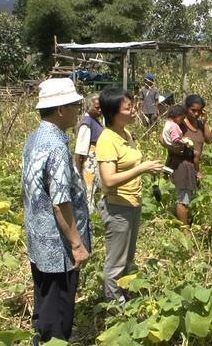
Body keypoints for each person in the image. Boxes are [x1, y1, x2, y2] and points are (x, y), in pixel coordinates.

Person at [21, 78, 91, 343]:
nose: (77, 110)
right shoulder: (57, 147)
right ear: (61, 110)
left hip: (40, 238)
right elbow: (60, 201)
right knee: (59, 309)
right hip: (58, 246)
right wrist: (76, 244)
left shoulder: (35, 137)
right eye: (74, 105)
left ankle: (42, 338)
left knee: (45, 300)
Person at [96, 87, 163, 303]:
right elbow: (108, 179)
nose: (134, 110)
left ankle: (125, 298)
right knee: (116, 263)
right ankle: (116, 308)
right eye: (128, 108)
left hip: (132, 203)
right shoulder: (107, 139)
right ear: (113, 113)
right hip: (117, 207)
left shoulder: (124, 133)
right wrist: (141, 169)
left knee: (127, 259)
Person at [160, 94, 212, 225]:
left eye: (199, 111)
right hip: (181, 165)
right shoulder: (180, 124)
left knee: (188, 198)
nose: (196, 113)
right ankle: (185, 229)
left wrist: (205, 122)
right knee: (183, 199)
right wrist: (177, 150)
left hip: (193, 166)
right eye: (193, 110)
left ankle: (187, 224)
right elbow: (162, 139)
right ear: (186, 109)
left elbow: (209, 140)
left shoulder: (200, 124)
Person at [74, 94, 103, 212]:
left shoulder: (95, 120)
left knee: (95, 191)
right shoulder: (86, 123)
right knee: (89, 192)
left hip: (96, 161)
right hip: (90, 162)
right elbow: (80, 151)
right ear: (88, 107)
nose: (100, 110)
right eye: (97, 107)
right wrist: (79, 172)